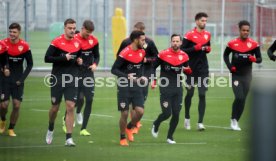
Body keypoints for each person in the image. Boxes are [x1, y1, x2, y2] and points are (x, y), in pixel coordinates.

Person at [45, 18, 82, 146]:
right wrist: (63, 58)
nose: (72, 30)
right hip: (57, 79)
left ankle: (69, 138)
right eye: (70, 28)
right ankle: (50, 128)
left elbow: (79, 58)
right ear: (65, 28)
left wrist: (79, 61)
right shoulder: (56, 42)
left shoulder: (78, 43)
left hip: (72, 78)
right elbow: (47, 58)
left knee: (70, 106)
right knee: (55, 108)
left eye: (73, 28)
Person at [116, 22, 158, 133]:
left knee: (140, 104)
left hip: (144, 75)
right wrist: (126, 73)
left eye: (141, 30)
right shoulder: (125, 43)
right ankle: (131, 127)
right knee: (130, 106)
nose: (139, 32)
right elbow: (118, 59)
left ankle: (133, 123)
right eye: (137, 30)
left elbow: (156, 58)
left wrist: (147, 62)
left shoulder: (149, 43)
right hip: (128, 78)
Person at [151, 34, 192, 144]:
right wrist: (154, 80)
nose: (175, 43)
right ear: (171, 42)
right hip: (165, 87)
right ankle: (156, 123)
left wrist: (188, 76)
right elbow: (152, 67)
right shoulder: (163, 54)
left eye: (177, 41)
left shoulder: (184, 56)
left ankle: (170, 137)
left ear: (181, 43)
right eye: (173, 41)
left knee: (176, 114)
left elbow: (187, 69)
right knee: (166, 113)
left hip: (178, 88)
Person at [63, 20, 100, 136]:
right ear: (82, 28)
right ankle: (66, 119)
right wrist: (77, 61)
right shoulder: (74, 40)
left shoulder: (94, 40)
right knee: (76, 100)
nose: (88, 35)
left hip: (88, 74)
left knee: (89, 99)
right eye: (87, 32)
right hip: (76, 73)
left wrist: (95, 64)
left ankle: (83, 128)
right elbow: (70, 57)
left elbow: (97, 55)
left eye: (90, 33)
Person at [224, 20, 262, 131]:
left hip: (247, 76)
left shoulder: (254, 44)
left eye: (247, 30)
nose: (246, 32)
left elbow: (259, 59)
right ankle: (234, 120)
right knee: (239, 97)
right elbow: (225, 55)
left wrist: (254, 59)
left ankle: (235, 120)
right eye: (243, 30)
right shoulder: (232, 43)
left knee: (243, 99)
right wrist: (230, 67)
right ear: (239, 30)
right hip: (236, 75)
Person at [111, 30, 147, 146]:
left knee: (140, 111)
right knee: (125, 113)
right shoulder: (125, 52)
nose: (144, 42)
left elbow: (140, 68)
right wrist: (127, 76)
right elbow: (114, 69)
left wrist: (142, 77)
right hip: (124, 85)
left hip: (136, 85)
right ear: (136, 40)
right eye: (142, 40)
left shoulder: (142, 52)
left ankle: (129, 127)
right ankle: (122, 137)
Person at [0, 23, 33, 136]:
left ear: (19, 32)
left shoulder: (24, 46)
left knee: (17, 105)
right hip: (4, 79)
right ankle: (3, 119)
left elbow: (30, 64)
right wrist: (3, 69)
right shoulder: (3, 44)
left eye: (14, 32)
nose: (12, 34)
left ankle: (11, 128)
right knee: (3, 105)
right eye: (10, 32)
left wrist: (22, 79)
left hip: (18, 79)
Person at [181, 12, 211, 131]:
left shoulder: (207, 34)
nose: (204, 23)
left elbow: (207, 47)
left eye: (205, 21)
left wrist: (207, 49)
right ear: (197, 21)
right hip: (190, 69)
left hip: (203, 69)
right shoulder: (188, 35)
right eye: (202, 21)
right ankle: (187, 118)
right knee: (190, 93)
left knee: (202, 94)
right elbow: (183, 50)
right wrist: (194, 48)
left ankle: (200, 123)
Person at [0, 40, 8, 116]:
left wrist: (6, 68)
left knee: (3, 105)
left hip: (1, 78)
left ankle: (3, 119)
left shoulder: (2, 45)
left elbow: (5, 61)